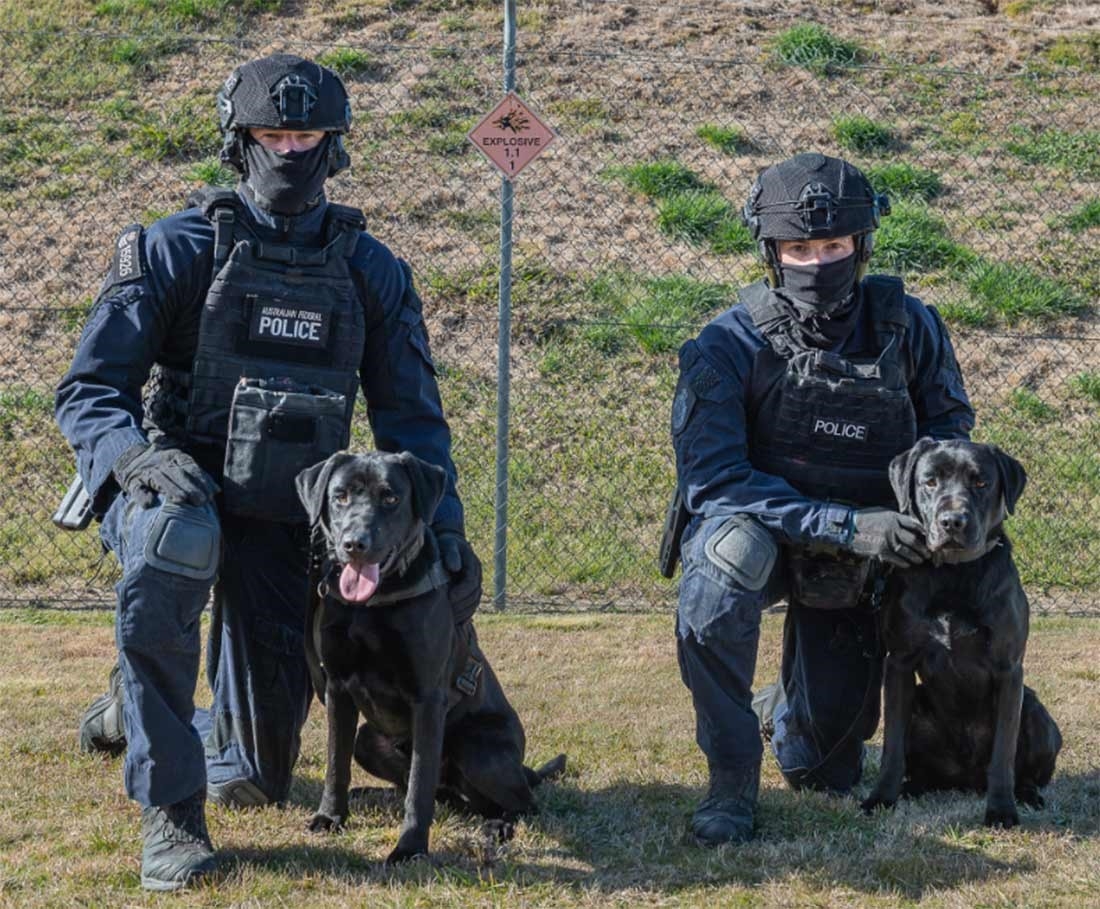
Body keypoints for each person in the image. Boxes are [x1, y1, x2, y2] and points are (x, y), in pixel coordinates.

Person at [54, 54, 482, 890]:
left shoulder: (371, 271)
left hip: (289, 509)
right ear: (237, 139)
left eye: (307, 133)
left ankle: (133, 706)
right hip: (179, 487)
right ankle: (171, 818)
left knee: (257, 773)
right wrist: (137, 456)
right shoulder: (176, 247)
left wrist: (449, 531)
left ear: (335, 144)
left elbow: (412, 422)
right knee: (175, 543)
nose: (290, 150)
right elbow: (88, 389)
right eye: (271, 133)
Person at [665, 152, 975, 846]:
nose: (816, 262)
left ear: (860, 246)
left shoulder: (913, 329)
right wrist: (840, 523)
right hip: (766, 535)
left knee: (824, 770)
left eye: (832, 246)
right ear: (771, 252)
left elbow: (951, 440)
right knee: (722, 563)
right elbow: (713, 480)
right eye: (798, 248)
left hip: (866, 551)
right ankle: (731, 776)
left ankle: (789, 711)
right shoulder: (727, 342)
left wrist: (910, 523)